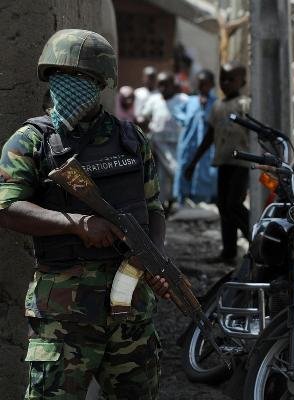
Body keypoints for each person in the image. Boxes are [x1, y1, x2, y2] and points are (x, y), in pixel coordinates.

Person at [0, 29, 170, 399]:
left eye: (83, 79)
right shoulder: (30, 141)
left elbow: (154, 208)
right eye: (62, 78)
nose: (70, 87)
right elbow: (8, 207)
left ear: (101, 84)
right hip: (63, 316)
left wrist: (152, 256)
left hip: (130, 312)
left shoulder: (131, 139)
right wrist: (76, 224)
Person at [184, 62, 251, 264]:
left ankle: (256, 240)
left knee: (233, 204)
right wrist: (193, 162)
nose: (226, 83)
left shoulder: (245, 104)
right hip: (223, 162)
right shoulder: (218, 106)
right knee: (223, 206)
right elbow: (209, 136)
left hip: (242, 163)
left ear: (243, 81)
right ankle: (228, 251)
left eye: (231, 79)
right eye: (223, 79)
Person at [140, 71, 189, 210]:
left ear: (173, 85)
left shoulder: (182, 99)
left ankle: (176, 201)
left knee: (175, 171)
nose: (163, 88)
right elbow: (144, 116)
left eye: (166, 85)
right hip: (158, 145)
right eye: (160, 85)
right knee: (160, 176)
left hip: (177, 144)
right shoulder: (154, 99)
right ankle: (162, 206)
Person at [173, 69, 218, 204]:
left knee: (207, 171)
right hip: (189, 143)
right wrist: (186, 120)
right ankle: (183, 199)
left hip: (207, 145)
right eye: (200, 83)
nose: (203, 87)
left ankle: (205, 200)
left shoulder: (215, 102)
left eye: (206, 84)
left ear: (211, 85)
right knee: (185, 168)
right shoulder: (190, 101)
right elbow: (177, 112)